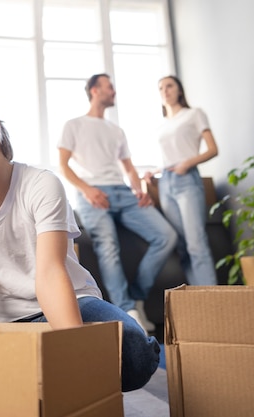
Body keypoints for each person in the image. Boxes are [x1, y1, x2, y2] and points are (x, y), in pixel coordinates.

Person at [0, 83, 160, 392]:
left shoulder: (41, 185)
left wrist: (74, 348)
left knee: (131, 349)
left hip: (73, 301)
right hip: (7, 319)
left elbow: (49, 273)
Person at [58, 73, 177, 333]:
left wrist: (140, 190)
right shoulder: (74, 125)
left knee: (166, 235)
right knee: (108, 244)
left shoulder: (116, 130)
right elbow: (63, 165)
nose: (113, 91)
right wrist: (87, 190)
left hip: (123, 193)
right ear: (94, 90)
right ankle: (127, 309)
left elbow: (129, 168)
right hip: (93, 195)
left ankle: (136, 296)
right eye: (109, 87)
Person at [143, 75, 218, 285]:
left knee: (196, 244)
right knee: (183, 246)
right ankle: (193, 302)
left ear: (179, 90)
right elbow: (169, 158)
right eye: (160, 88)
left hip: (187, 181)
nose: (165, 91)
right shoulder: (162, 125)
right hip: (166, 183)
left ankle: (211, 300)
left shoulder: (194, 114)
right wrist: (154, 172)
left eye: (169, 86)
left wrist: (187, 163)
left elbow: (213, 149)